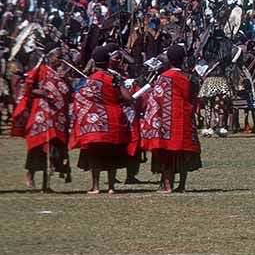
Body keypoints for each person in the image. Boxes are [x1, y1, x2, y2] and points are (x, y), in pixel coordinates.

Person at [70, 46, 135, 194]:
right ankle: (111, 187)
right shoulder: (114, 78)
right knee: (112, 154)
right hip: (114, 119)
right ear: (108, 61)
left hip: (96, 122)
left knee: (96, 155)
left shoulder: (90, 80)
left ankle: (96, 186)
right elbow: (128, 98)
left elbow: (81, 98)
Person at [139, 44, 202, 193]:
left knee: (167, 152)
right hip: (185, 117)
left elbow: (156, 100)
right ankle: (182, 185)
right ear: (183, 59)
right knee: (183, 152)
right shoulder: (190, 77)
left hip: (167, 120)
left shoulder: (163, 77)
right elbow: (193, 97)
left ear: (168, 59)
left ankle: (168, 185)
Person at [11, 45, 72, 191]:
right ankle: (30, 173)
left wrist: (66, 79)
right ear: (50, 57)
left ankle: (46, 184)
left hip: (57, 116)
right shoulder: (40, 71)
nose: (61, 59)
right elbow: (28, 87)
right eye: (58, 56)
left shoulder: (61, 74)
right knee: (39, 146)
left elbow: (68, 92)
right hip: (42, 113)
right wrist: (41, 92)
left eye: (62, 57)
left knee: (54, 149)